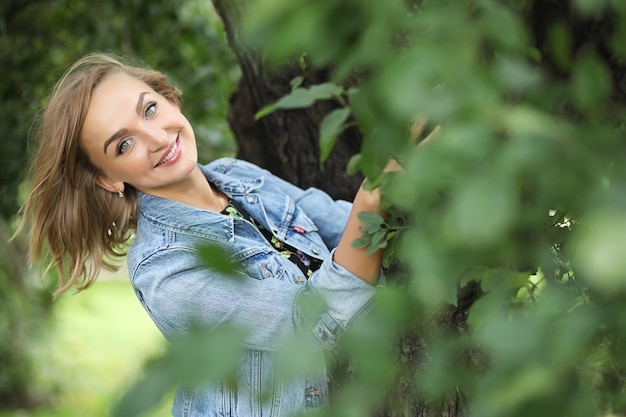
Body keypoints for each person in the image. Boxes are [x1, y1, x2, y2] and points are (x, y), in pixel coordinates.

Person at [17, 52, 397, 417]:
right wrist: (374, 194)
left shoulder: (239, 177)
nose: (157, 137)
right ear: (108, 178)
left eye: (149, 109)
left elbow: (342, 224)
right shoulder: (166, 272)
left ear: (169, 99)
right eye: (124, 144)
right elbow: (310, 323)